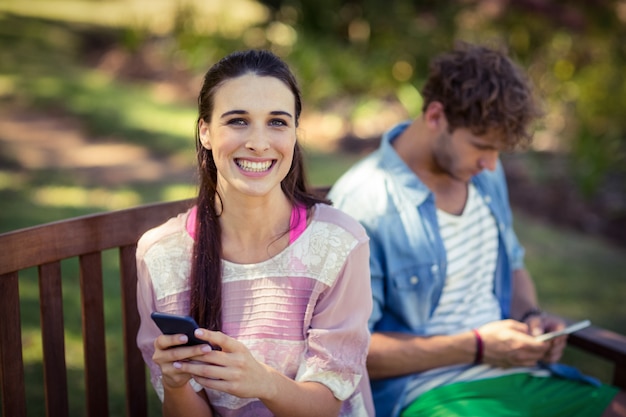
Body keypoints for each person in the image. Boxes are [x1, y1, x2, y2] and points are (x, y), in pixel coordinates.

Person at [328, 42, 626, 417]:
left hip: (524, 377)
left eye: (498, 151)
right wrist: (478, 347)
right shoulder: (365, 202)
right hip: (432, 395)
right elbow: (350, 351)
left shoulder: (485, 175)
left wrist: (531, 316)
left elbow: (513, 265)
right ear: (436, 116)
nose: (490, 164)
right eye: (481, 147)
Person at [135, 49, 374, 417]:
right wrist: (175, 382)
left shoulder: (338, 243)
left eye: (277, 122)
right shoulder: (161, 255)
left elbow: (326, 406)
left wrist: (263, 382)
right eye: (238, 121)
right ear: (205, 131)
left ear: (295, 131)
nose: (259, 143)